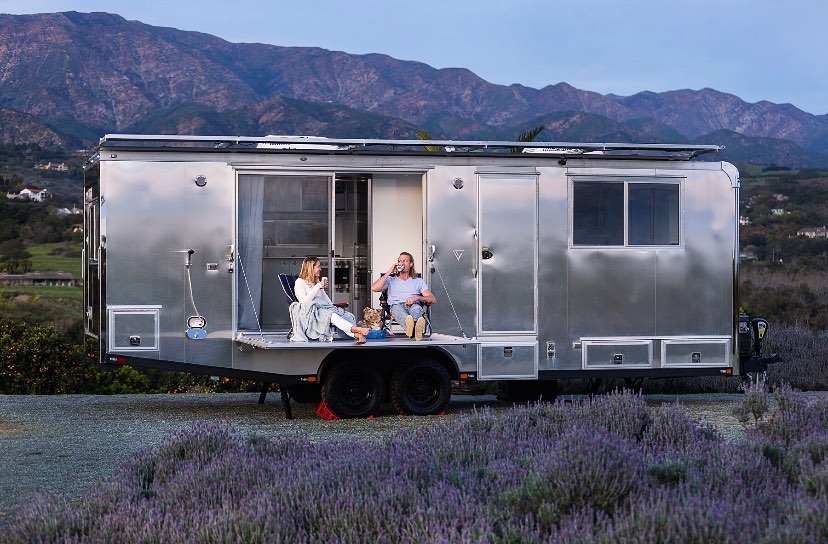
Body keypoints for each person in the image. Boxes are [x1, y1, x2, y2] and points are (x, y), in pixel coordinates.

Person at [292, 256, 370, 344]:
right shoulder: (300, 282)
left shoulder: (315, 282)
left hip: (322, 309)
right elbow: (304, 302)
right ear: (310, 268)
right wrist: (318, 286)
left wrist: (333, 307)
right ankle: (358, 330)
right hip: (310, 312)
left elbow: (325, 299)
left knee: (345, 315)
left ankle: (357, 334)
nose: (320, 269)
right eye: (318, 266)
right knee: (330, 314)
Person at [371, 251, 436, 340]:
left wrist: (417, 297)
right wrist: (390, 271)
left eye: (404, 261)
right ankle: (415, 330)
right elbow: (374, 288)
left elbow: (432, 299)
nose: (401, 263)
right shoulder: (390, 280)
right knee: (402, 314)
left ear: (410, 264)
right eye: (400, 261)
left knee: (417, 310)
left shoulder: (418, 281)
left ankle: (413, 330)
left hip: (413, 304)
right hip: (396, 305)